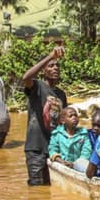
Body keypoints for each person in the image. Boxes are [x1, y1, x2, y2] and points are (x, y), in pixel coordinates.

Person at [22, 45, 68, 186]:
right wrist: (50, 56)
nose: (55, 68)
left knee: (50, 187)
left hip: (53, 148)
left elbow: (63, 122)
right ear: (43, 71)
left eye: (57, 66)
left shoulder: (61, 94)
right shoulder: (37, 87)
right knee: (37, 188)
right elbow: (26, 77)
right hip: (36, 148)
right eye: (51, 66)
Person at [49, 107, 92, 172]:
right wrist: (61, 161)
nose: (74, 118)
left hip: (78, 166)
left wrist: (74, 165)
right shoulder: (57, 134)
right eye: (70, 116)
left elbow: (86, 152)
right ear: (63, 121)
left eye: (75, 115)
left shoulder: (83, 134)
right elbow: (52, 150)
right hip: (61, 164)